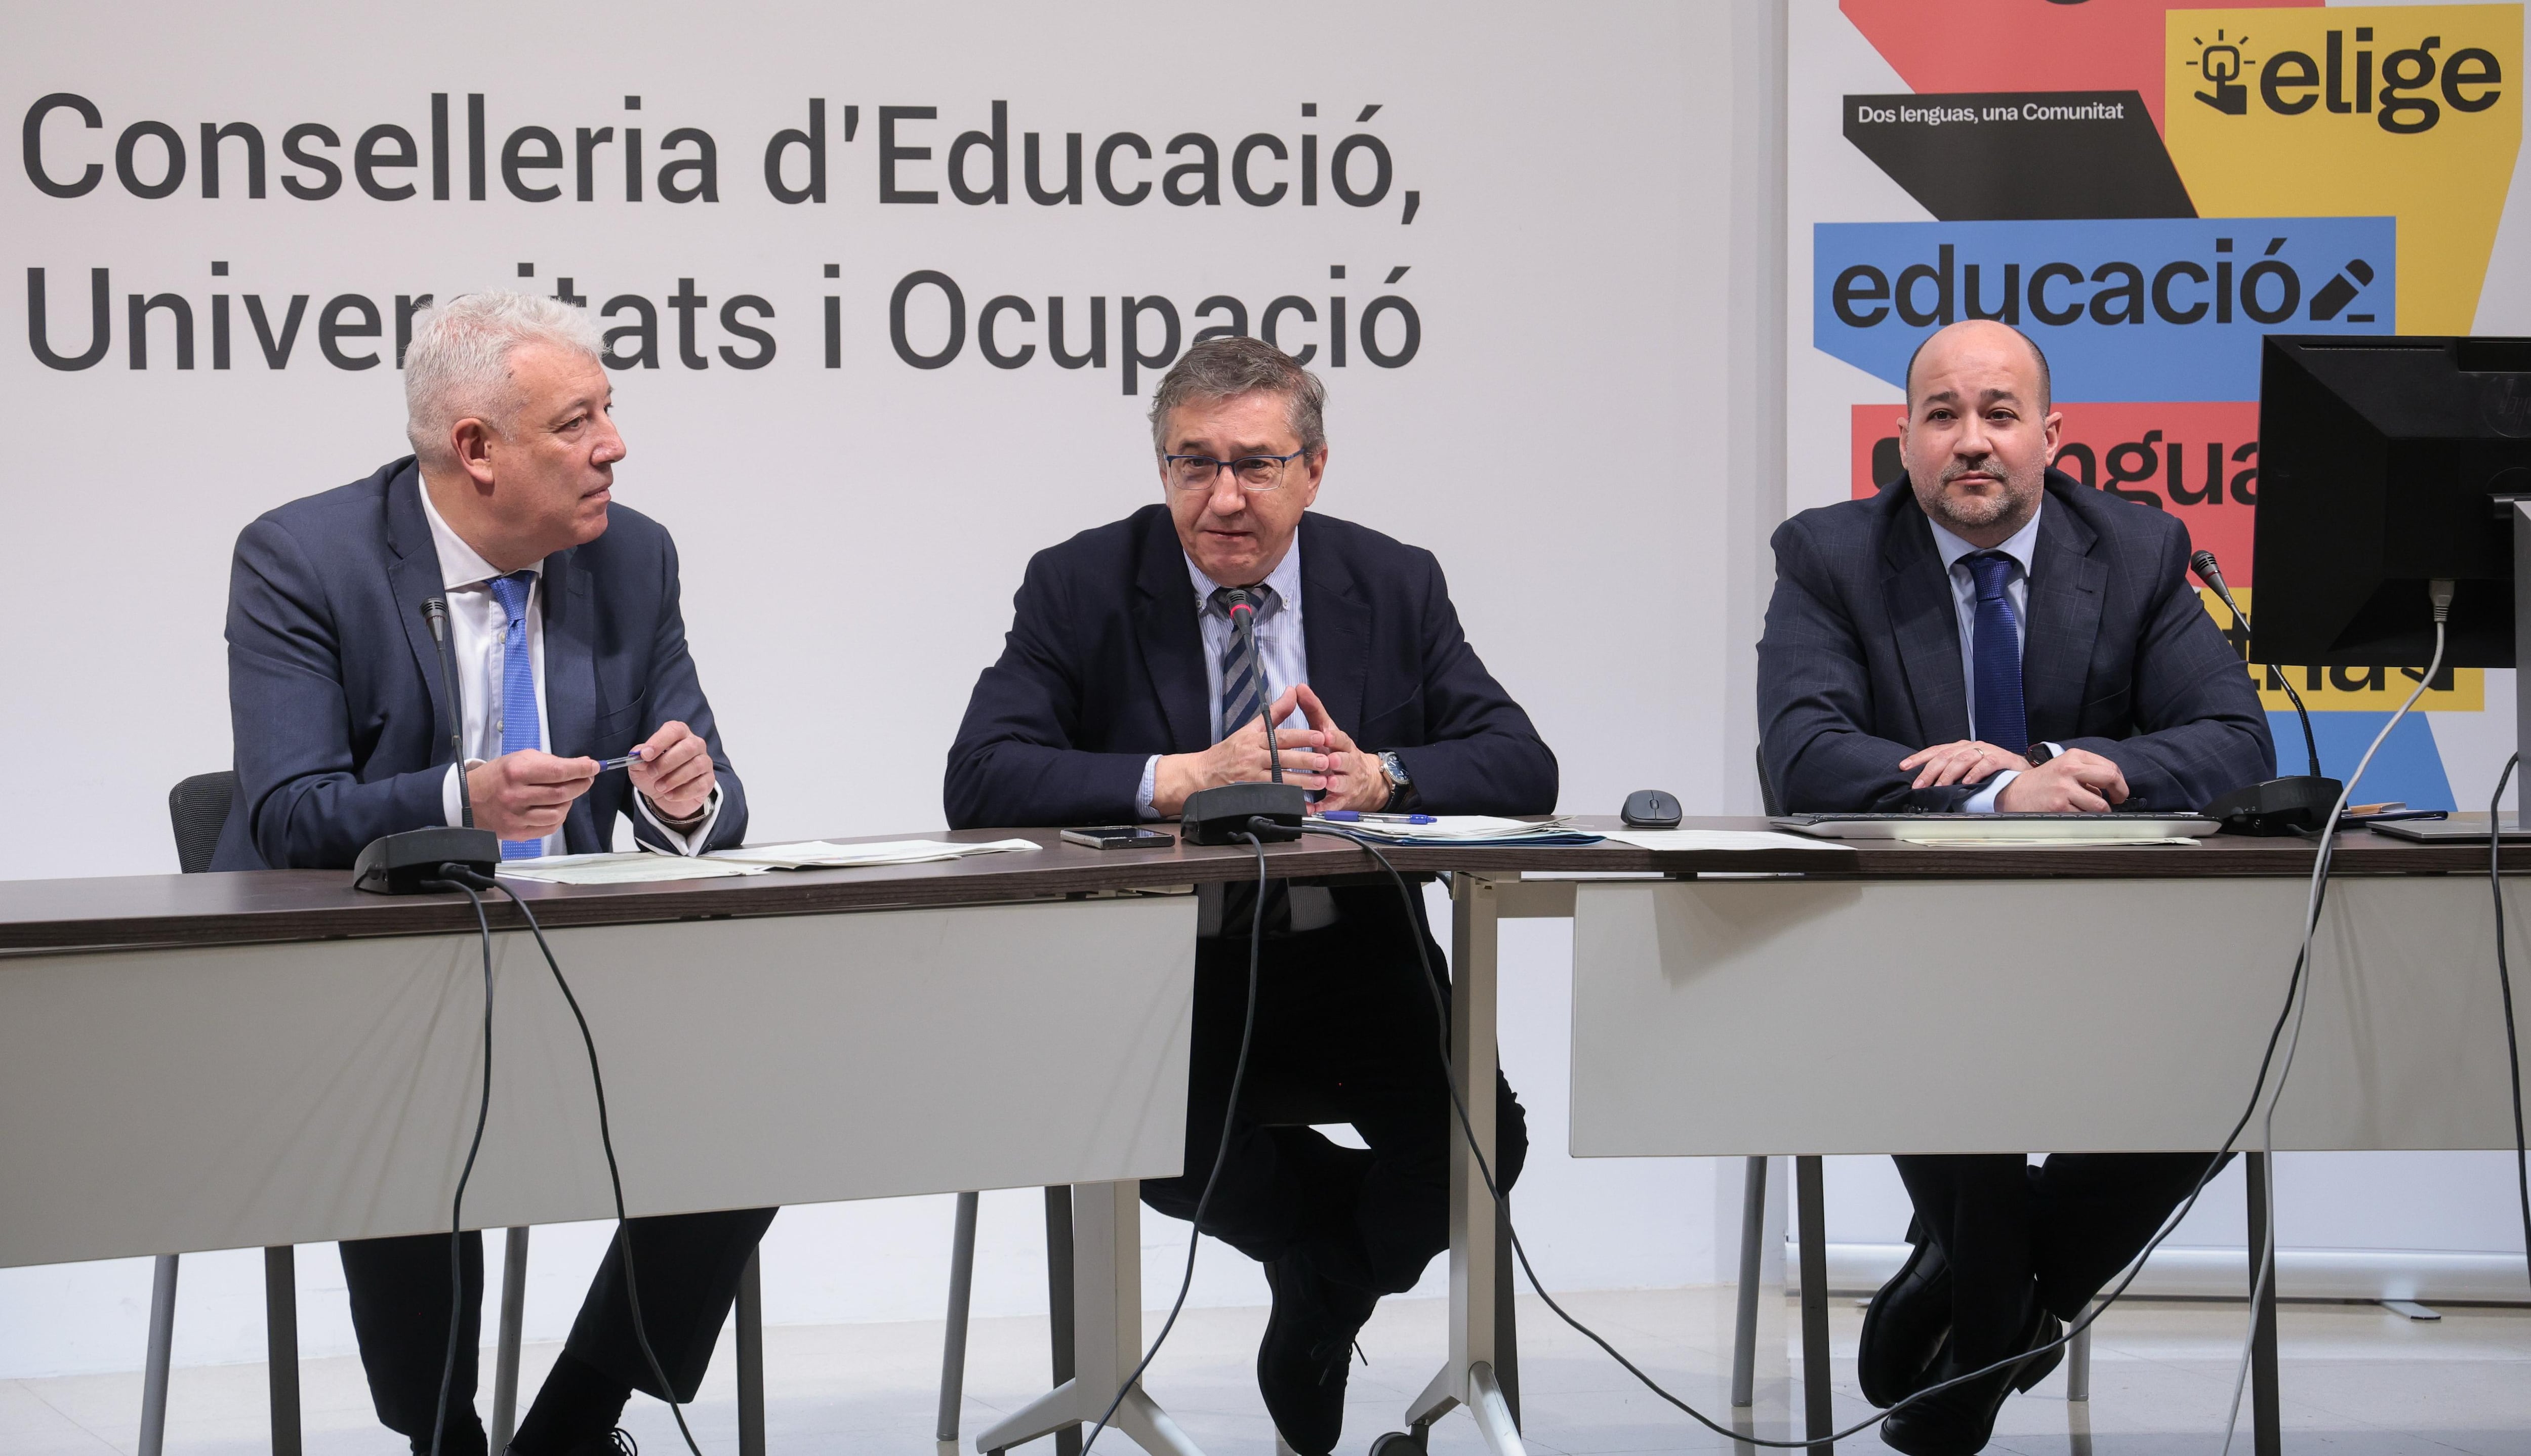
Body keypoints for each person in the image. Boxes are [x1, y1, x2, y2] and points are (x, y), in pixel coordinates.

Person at [944, 337, 1556, 1456]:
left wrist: (1385, 775)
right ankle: (1325, 1268)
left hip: (1357, 960)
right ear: (1162, 467)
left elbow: (1520, 759)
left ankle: (1319, 1291)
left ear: (1312, 470)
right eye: (1192, 464)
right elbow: (979, 774)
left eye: (1255, 465)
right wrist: (1171, 779)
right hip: (1171, 972)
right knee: (1154, 1146)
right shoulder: (1081, 583)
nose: (1221, 498)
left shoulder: (1390, 579)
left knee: (1480, 1152)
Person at [213, 291, 772, 1456]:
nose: (613, 444)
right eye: (578, 421)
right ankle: (443, 1437)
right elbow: (281, 816)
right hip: (360, 994)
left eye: (609, 411)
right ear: (476, 448)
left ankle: (574, 1423)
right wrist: (454, 800)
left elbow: (716, 811)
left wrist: (685, 800)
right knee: (414, 1114)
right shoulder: (303, 558)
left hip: (571, 979)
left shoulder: (632, 557)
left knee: (760, 1105)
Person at [1756, 318, 2273, 1455]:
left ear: (2052, 435)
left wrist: (2097, 765)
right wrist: (1992, 795)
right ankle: (2000, 1313)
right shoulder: (1832, 553)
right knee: (1936, 1014)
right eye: (1941, 415)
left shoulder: (2137, 549)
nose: (1970, 440)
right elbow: (1798, 754)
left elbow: (2236, 740)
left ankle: (1994, 1279)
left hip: (2115, 947)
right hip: (1914, 954)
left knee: (2247, 1044)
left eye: (1998, 413)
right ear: (1903, 440)